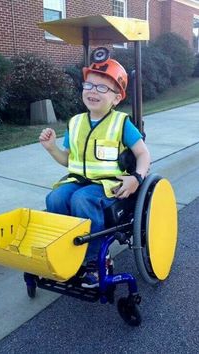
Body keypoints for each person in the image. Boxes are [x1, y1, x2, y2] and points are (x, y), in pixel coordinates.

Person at [39, 56, 151, 288]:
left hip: (107, 184)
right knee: (55, 197)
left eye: (102, 87)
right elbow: (68, 160)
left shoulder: (121, 123)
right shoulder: (76, 122)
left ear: (117, 98)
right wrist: (52, 149)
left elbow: (143, 154)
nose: (93, 91)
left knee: (82, 200)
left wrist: (137, 178)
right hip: (78, 179)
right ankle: (66, 253)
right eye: (88, 85)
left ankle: (96, 261)